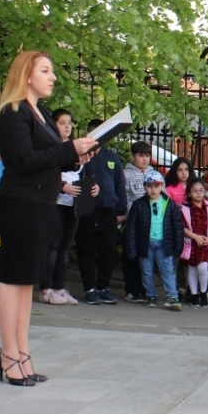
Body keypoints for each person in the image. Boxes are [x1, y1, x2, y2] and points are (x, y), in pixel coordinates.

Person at [0, 50, 98, 386]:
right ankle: (8, 354)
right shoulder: (13, 112)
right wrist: (69, 149)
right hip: (20, 201)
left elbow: (49, 158)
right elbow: (23, 159)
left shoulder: (42, 112)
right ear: (26, 75)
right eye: (46, 71)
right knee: (11, 278)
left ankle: (21, 352)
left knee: (26, 280)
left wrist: (77, 156)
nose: (52, 77)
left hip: (40, 201)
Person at [40, 108, 96, 306]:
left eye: (69, 123)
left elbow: (81, 175)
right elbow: (47, 171)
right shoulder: (51, 147)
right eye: (62, 122)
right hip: (56, 201)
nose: (66, 126)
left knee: (65, 247)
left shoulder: (75, 148)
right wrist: (63, 187)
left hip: (73, 203)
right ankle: (46, 288)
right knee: (52, 246)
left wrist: (92, 187)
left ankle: (59, 286)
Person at [75, 119, 127, 305]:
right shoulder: (80, 156)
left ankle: (103, 287)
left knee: (108, 252)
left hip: (108, 212)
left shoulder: (111, 157)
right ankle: (90, 288)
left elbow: (120, 183)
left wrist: (121, 209)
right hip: (88, 212)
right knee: (87, 252)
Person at [124, 170, 185, 311]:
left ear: (161, 186)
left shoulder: (169, 204)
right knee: (146, 271)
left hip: (164, 244)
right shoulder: (138, 205)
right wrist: (131, 248)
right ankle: (150, 295)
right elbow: (131, 228)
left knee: (167, 270)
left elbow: (177, 227)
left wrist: (178, 246)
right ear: (145, 186)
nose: (153, 189)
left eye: (156, 186)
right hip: (145, 244)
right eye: (149, 186)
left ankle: (172, 297)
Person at [121, 141, 154, 303]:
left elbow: (163, 194)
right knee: (131, 257)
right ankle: (131, 290)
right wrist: (132, 214)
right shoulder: (125, 174)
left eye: (147, 155)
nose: (144, 159)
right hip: (133, 222)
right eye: (141, 155)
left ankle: (145, 289)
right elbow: (124, 197)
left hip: (152, 223)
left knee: (147, 257)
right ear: (132, 156)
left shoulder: (153, 173)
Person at [181, 177, 208, 308]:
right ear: (189, 193)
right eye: (195, 190)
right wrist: (195, 237)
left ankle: (204, 292)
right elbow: (183, 227)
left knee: (203, 267)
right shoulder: (186, 208)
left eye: (201, 190)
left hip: (205, 243)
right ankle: (194, 294)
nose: (198, 193)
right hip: (191, 243)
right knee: (192, 268)